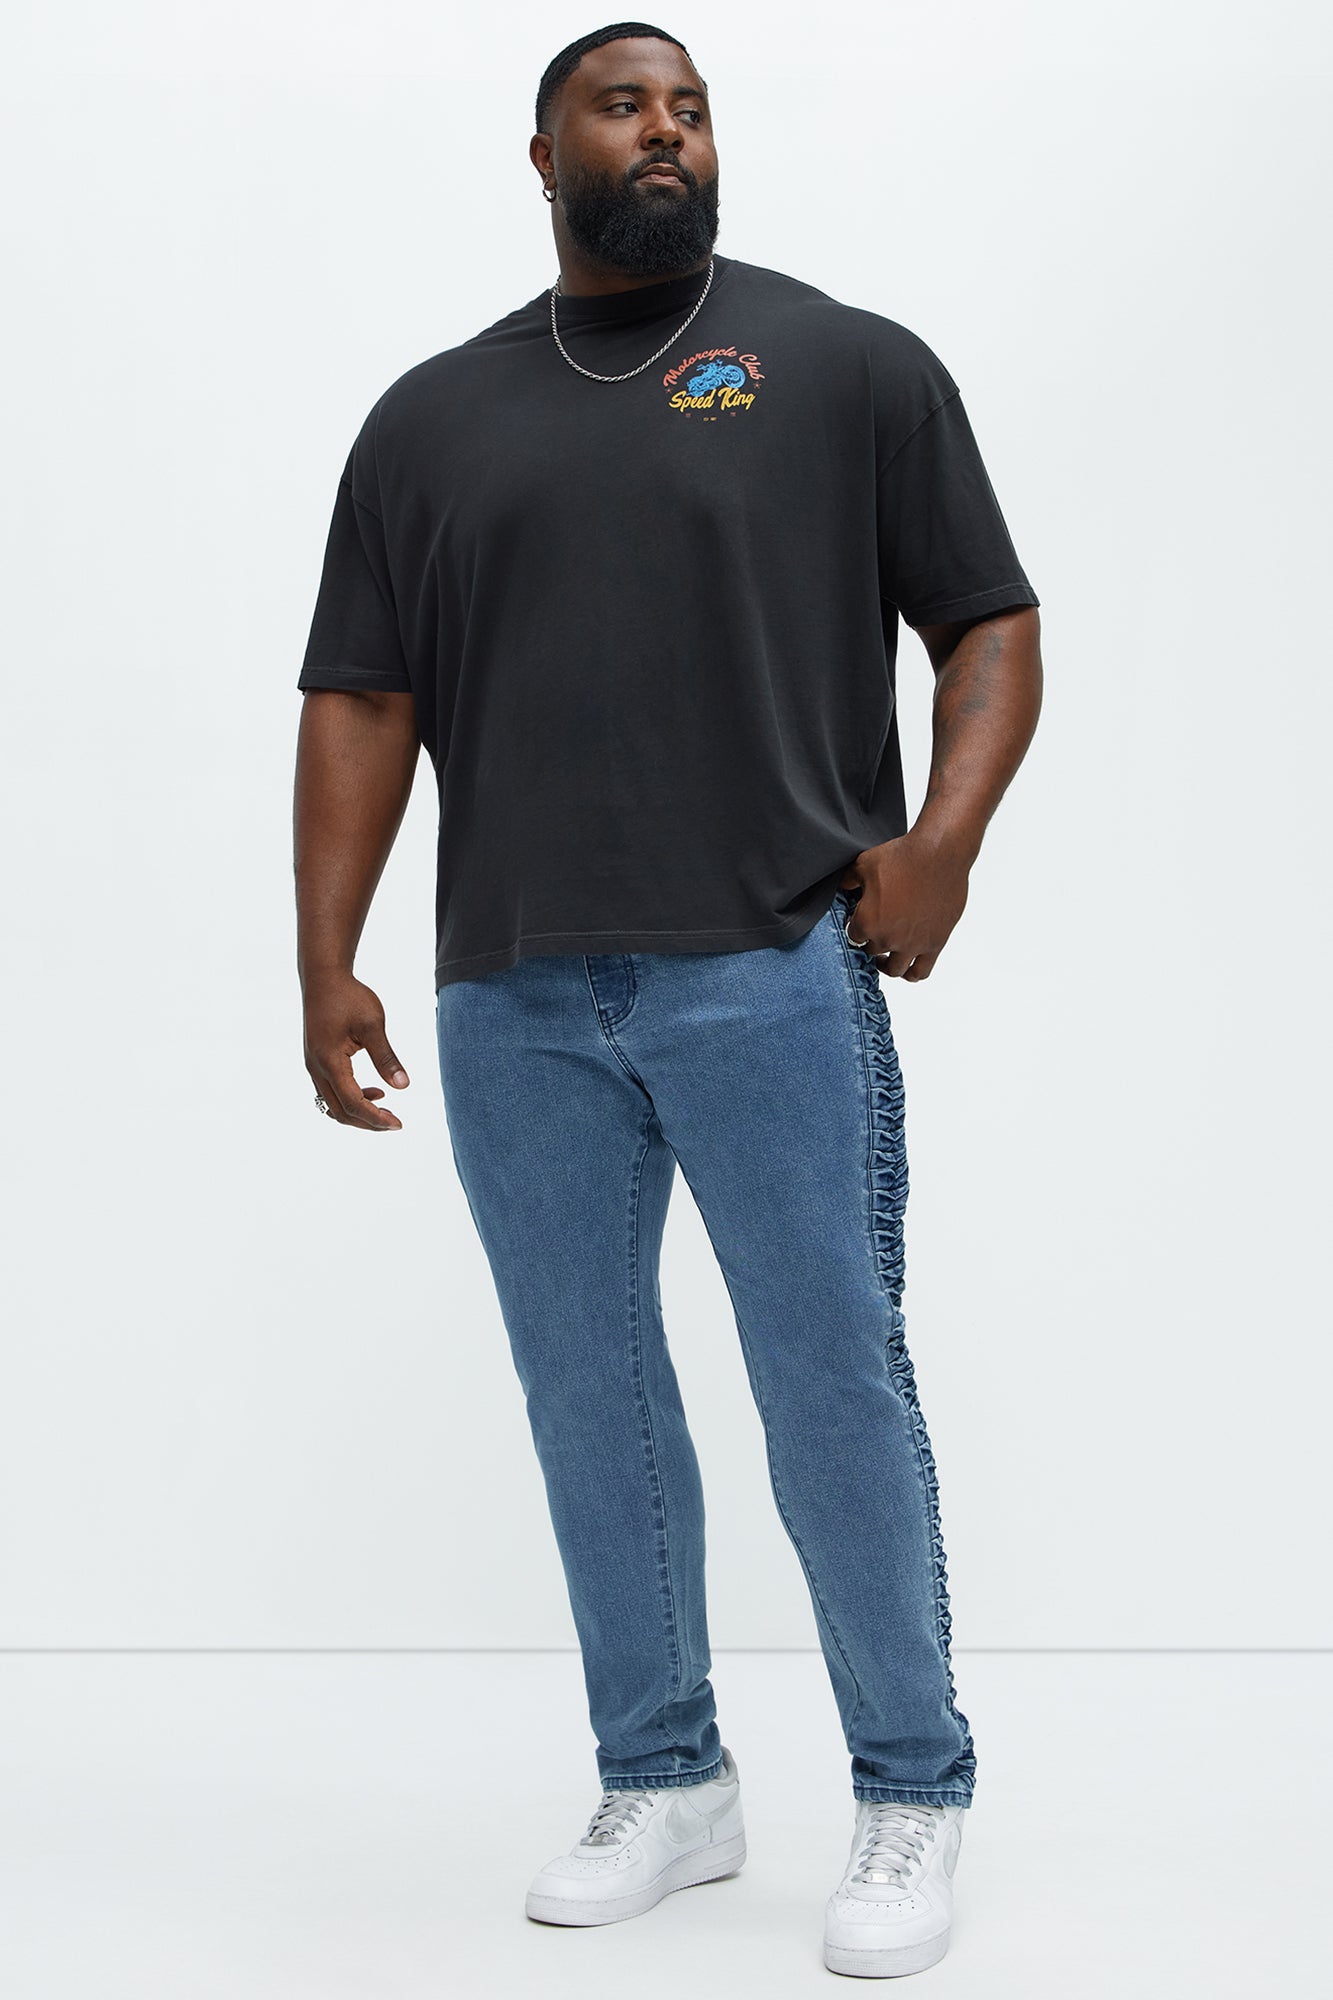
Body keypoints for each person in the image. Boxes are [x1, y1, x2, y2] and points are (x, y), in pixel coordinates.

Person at [292, 19, 1042, 1979]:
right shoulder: (432, 419)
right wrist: (324, 955)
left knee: (829, 1379)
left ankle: (911, 1788)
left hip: (770, 966)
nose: (666, 132)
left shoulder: (842, 363)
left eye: (691, 108)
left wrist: (941, 838)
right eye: (622, 105)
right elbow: (363, 697)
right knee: (587, 1391)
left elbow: (985, 614)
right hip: (512, 992)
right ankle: (666, 1775)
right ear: (542, 152)